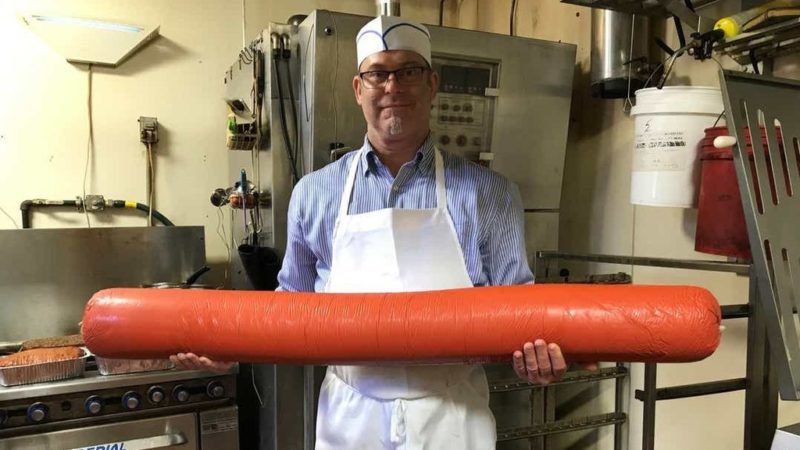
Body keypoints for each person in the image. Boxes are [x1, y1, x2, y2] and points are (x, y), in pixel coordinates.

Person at [173, 15, 593, 449]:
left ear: (431, 84)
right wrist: (227, 347)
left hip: (452, 416)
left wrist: (537, 355)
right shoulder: (314, 193)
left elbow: (518, 310)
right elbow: (290, 308)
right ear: (359, 89)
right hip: (350, 418)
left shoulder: (491, 193)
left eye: (408, 71)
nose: (393, 86)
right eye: (377, 74)